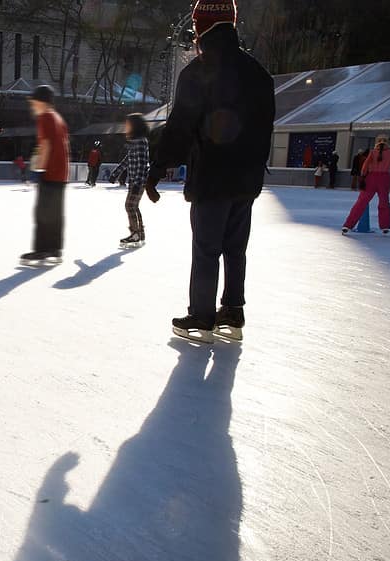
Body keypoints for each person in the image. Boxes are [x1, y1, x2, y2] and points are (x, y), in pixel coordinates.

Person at [144, 0, 275, 344]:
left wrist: (157, 168)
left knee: (206, 248)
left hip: (213, 177)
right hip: (247, 181)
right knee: (235, 248)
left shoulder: (199, 71)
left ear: (202, 26)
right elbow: (265, 128)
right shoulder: (259, 74)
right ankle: (232, 311)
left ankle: (201, 318)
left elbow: (180, 128)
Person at [20, 85, 69, 267]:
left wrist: (38, 171)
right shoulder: (58, 118)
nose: (32, 106)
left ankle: (41, 250)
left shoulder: (45, 118)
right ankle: (55, 248)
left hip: (50, 172)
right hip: (62, 174)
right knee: (55, 213)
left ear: (42, 102)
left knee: (42, 213)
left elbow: (46, 146)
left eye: (34, 102)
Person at [342, 133, 390, 235]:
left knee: (361, 202)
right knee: (384, 202)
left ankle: (348, 225)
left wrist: (362, 177)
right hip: (384, 179)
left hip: (370, 178)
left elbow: (365, 165)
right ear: (387, 142)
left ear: (377, 142)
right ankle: (385, 226)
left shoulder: (372, 153)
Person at [110, 113, 150, 248]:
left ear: (135, 126)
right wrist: (115, 173)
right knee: (134, 206)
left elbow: (142, 164)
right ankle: (140, 233)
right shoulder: (135, 142)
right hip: (135, 181)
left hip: (138, 181)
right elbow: (127, 160)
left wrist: (137, 183)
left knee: (129, 206)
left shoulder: (140, 142)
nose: (125, 126)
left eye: (128, 124)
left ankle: (135, 233)